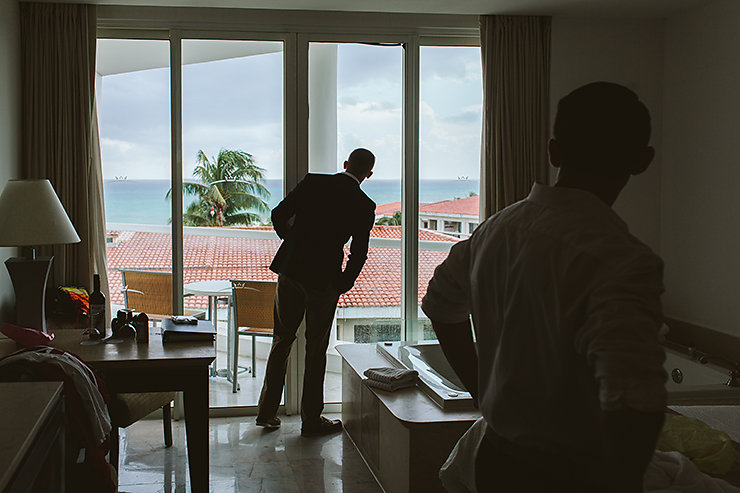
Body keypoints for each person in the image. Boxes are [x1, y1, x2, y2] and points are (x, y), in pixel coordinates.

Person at [421, 82, 666, 492]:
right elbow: (634, 402)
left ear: (553, 152)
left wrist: (481, 386)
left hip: (495, 459)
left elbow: (440, 305)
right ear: (642, 161)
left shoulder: (494, 231)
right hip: (569, 473)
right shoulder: (622, 259)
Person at [256, 148, 376, 436]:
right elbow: (359, 254)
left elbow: (277, 214)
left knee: (281, 340)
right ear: (368, 174)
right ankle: (311, 420)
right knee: (316, 349)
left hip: (292, 270)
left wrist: (294, 241)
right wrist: (343, 283)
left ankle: (267, 412)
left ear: (345, 164)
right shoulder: (364, 204)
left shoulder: (313, 182)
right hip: (324, 281)